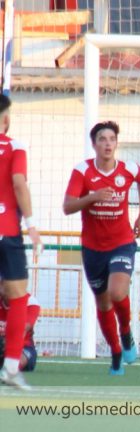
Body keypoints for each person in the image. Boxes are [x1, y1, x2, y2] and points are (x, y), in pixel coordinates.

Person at [64, 121, 140, 376]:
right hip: (92, 248)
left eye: (112, 139)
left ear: (116, 144)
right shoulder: (82, 171)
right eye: (102, 139)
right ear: (94, 144)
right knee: (102, 302)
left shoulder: (129, 169)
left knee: (117, 292)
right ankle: (115, 353)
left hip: (121, 242)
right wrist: (92, 197)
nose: (108, 143)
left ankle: (126, 332)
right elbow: (68, 206)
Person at [0, 94, 42, 390]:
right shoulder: (15, 147)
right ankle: (11, 366)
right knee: (17, 297)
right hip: (6, 230)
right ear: (6, 119)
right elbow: (18, 183)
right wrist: (32, 225)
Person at [0, 288, 40, 373]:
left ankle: (10, 370)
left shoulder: (30, 302)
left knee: (25, 355)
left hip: (23, 346)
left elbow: (23, 329)